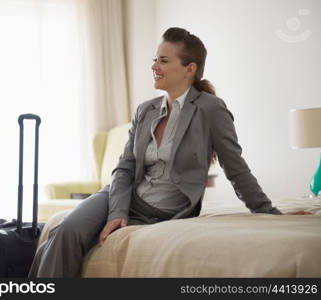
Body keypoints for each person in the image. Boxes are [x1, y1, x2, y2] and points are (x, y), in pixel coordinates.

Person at [28, 27, 283, 278]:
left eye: (163, 60)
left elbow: (236, 168)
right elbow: (125, 168)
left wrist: (269, 212)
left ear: (189, 69)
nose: (154, 66)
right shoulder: (145, 110)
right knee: (66, 231)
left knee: (64, 239)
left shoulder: (210, 109)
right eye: (155, 59)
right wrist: (118, 213)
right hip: (119, 195)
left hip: (161, 211)